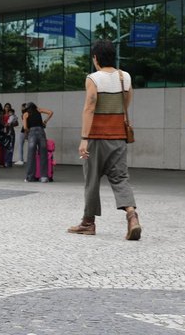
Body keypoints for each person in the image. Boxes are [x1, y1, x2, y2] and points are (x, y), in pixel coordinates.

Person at [68, 39, 142, 240]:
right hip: (118, 136)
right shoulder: (124, 77)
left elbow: (90, 106)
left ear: (95, 58)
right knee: (120, 177)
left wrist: (84, 138)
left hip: (96, 137)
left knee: (91, 179)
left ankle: (88, 223)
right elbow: (126, 102)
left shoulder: (93, 78)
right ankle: (132, 215)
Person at [23, 102, 53, 182]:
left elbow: (25, 127)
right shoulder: (38, 110)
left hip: (32, 132)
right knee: (43, 154)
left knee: (31, 155)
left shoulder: (26, 114)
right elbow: (50, 112)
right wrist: (45, 121)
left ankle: (30, 177)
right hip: (41, 131)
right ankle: (44, 177)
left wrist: (27, 134)